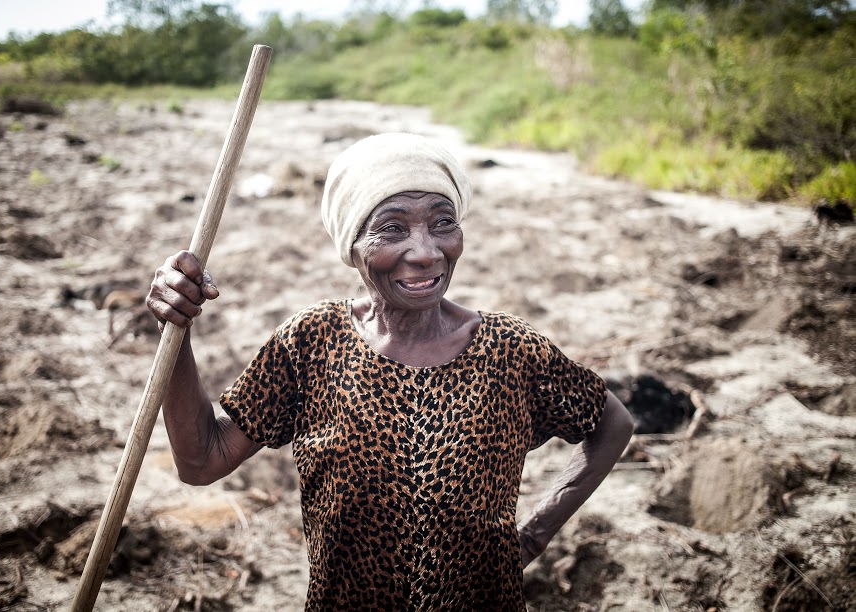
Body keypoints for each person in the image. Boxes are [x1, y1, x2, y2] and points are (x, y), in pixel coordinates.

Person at [146, 133, 634, 611]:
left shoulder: (511, 350)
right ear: (352, 244)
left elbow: (612, 424)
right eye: (392, 228)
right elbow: (202, 460)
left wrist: (533, 536)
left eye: (443, 223)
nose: (425, 252)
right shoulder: (312, 342)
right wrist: (178, 327)